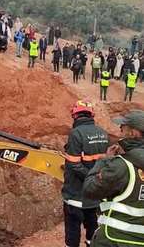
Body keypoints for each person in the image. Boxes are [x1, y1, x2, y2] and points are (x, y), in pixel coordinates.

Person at [83, 110, 144, 247]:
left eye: (122, 129)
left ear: (133, 133)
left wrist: (104, 161)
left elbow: (90, 189)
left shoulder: (121, 166)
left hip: (114, 240)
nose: (120, 132)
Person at [62, 101, 109, 247]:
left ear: (75, 115)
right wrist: (95, 179)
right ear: (91, 115)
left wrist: (89, 177)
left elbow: (74, 164)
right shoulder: (102, 132)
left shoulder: (76, 133)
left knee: (72, 233)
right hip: (94, 197)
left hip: (75, 196)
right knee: (92, 232)